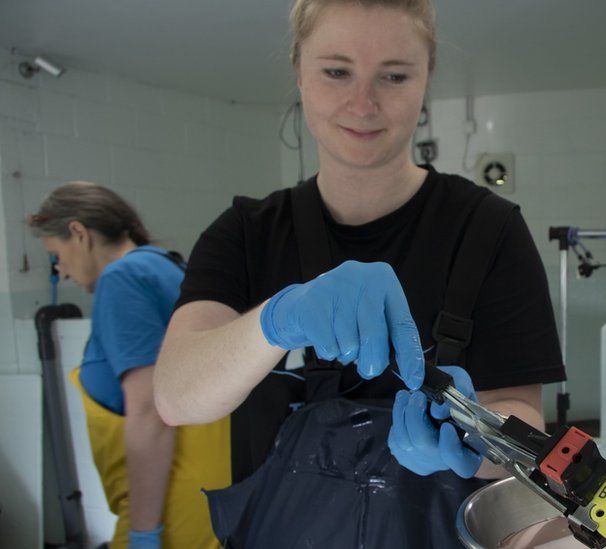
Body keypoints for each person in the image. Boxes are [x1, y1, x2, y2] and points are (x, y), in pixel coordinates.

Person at [152, 0, 565, 546]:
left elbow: (525, 426)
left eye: (393, 75)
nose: (363, 102)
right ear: (299, 70)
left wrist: (476, 442)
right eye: (336, 71)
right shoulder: (245, 234)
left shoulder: (488, 230)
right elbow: (176, 396)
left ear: (425, 80)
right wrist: (277, 321)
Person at [28, 182, 230, 549]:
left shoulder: (122, 281)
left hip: (172, 497)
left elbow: (150, 410)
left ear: (79, 233)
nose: (63, 272)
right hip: (211, 488)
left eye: (56, 254)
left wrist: (144, 532)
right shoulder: (166, 266)